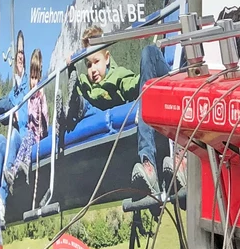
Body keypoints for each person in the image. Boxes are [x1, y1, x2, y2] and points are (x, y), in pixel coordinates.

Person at [64, 26, 168, 197]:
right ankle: (73, 106)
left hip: (114, 105)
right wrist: (71, 68)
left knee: (86, 105)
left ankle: (148, 163)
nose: (92, 70)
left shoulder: (117, 75)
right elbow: (80, 83)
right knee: (83, 104)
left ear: (107, 58)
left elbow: (134, 85)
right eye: (88, 65)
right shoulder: (86, 83)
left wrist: (140, 88)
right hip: (91, 111)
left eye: (96, 62)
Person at [4, 50, 47, 186]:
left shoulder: (40, 97)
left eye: (37, 79)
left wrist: (40, 102)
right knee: (26, 138)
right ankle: (14, 170)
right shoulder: (29, 98)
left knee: (28, 137)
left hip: (39, 135)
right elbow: (29, 121)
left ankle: (25, 163)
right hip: (31, 134)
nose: (34, 82)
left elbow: (44, 118)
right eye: (32, 78)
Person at [0, 30, 29, 117]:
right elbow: (10, 97)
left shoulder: (27, 82)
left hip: (22, 121)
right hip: (12, 116)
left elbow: (22, 101)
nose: (20, 56)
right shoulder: (16, 84)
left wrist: (12, 102)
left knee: (5, 104)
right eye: (18, 52)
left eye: (22, 52)